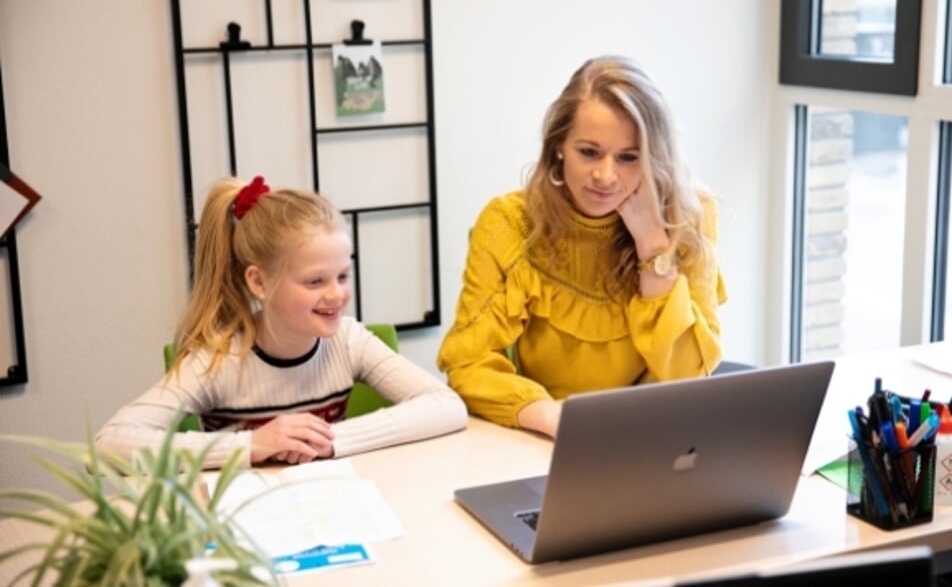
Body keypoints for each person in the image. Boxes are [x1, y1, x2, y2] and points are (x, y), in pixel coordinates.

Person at [437, 56, 726, 438]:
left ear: (654, 156)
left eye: (628, 157)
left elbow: (688, 374)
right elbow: (467, 362)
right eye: (589, 152)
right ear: (558, 145)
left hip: (651, 439)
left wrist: (653, 247)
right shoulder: (509, 222)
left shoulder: (691, 215)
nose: (605, 176)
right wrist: (549, 417)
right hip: (543, 436)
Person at [96, 176, 467, 469]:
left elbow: (446, 405)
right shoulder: (219, 360)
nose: (337, 295)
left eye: (342, 276)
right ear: (259, 282)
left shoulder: (350, 341)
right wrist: (252, 445)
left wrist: (330, 440)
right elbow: (109, 444)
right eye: (314, 281)